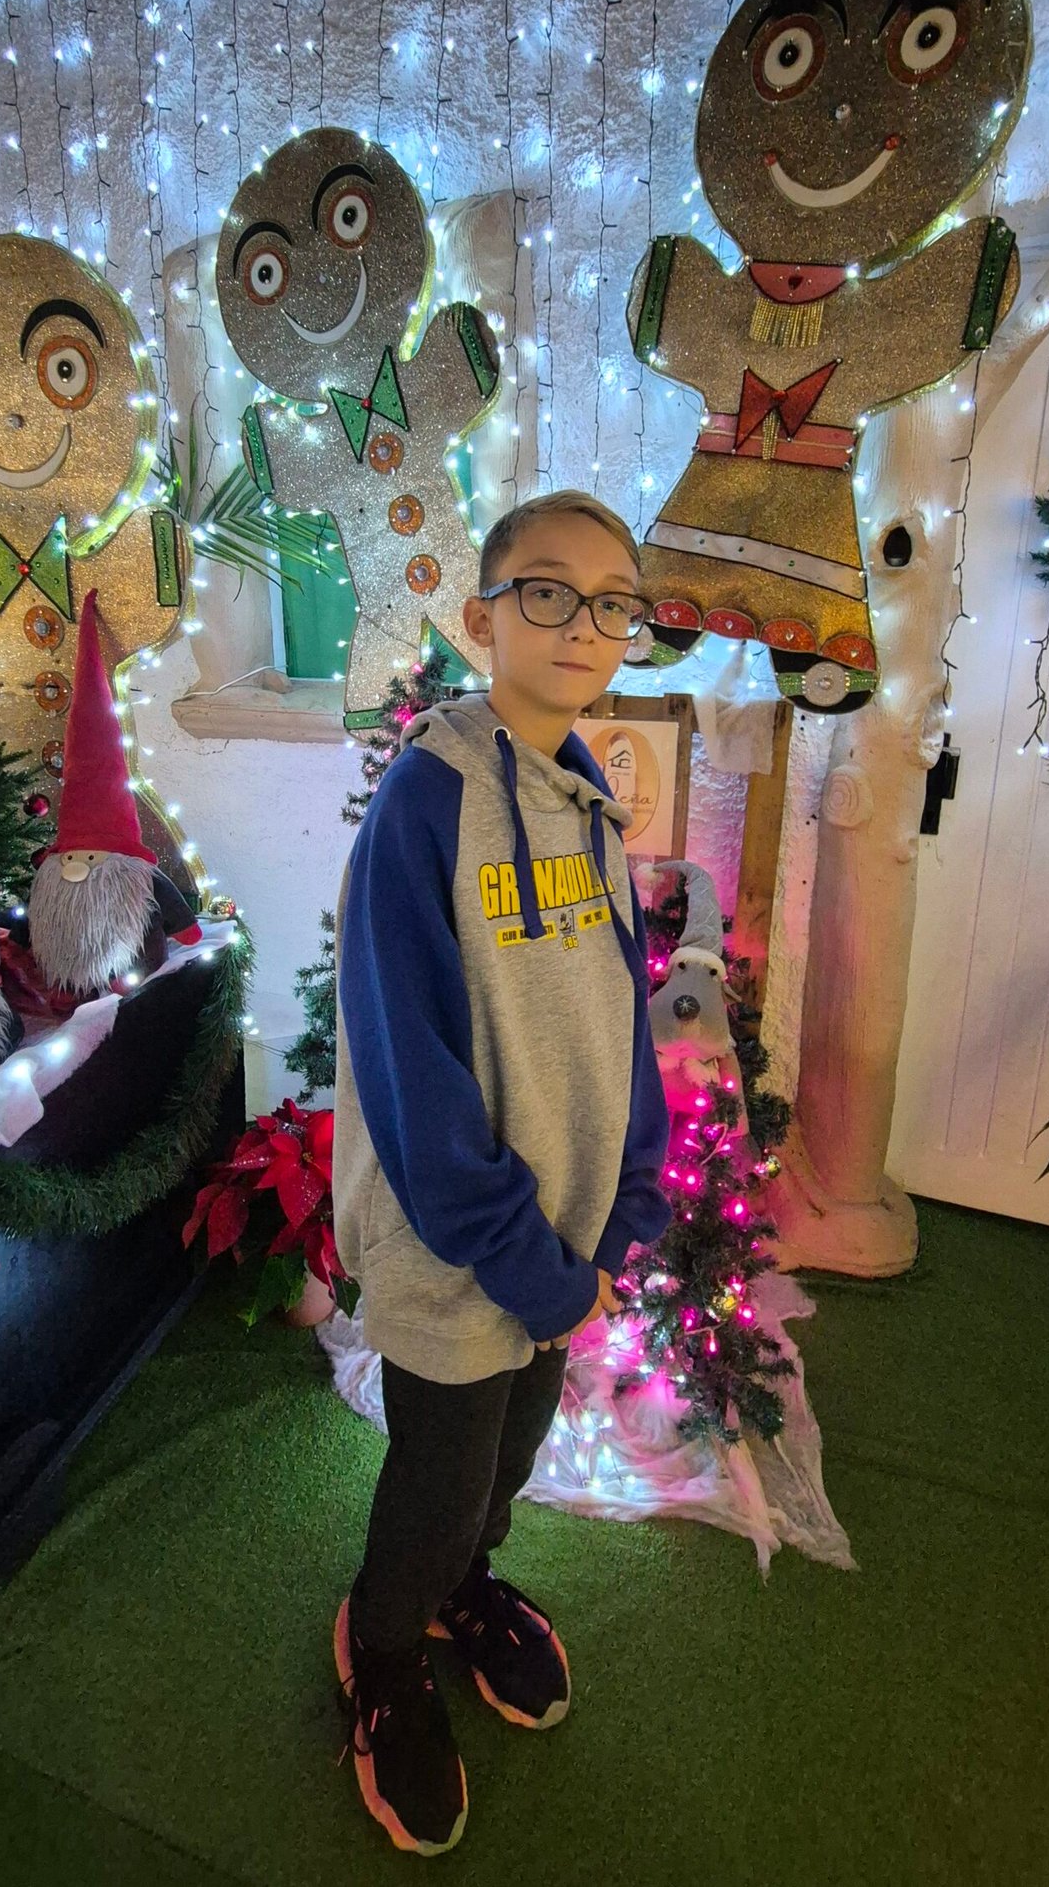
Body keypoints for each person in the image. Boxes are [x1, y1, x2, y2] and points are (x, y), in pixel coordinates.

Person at [330, 489, 672, 1856]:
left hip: (567, 1237)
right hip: (457, 1240)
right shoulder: (423, 806)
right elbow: (410, 1068)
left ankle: (464, 1587)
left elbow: (622, 1017)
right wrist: (525, 1257)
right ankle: (384, 1648)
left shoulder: (590, 798)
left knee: (512, 1449)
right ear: (482, 617)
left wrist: (627, 1200)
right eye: (546, 590)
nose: (580, 621)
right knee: (440, 1467)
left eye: (610, 600)